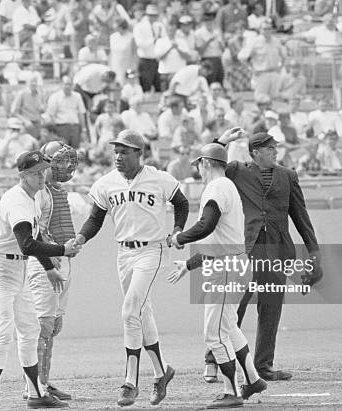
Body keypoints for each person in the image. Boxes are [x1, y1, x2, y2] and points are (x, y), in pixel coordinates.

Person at [73, 130, 189, 406]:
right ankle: (162, 372)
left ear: (140, 153)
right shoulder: (106, 183)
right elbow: (95, 219)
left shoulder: (160, 178)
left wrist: (178, 229)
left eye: (125, 151)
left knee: (129, 310)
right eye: (116, 150)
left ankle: (130, 382)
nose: (118, 156)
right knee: (141, 312)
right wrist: (81, 237)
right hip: (124, 253)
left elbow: (181, 202)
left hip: (152, 250)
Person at [214, 128, 323, 382]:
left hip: (276, 250)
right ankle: (220, 357)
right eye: (269, 148)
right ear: (255, 152)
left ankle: (264, 365)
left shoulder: (288, 176)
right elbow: (211, 162)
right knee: (234, 307)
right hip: (247, 248)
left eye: (275, 147)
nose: (275, 151)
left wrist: (314, 252)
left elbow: (301, 216)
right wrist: (222, 141)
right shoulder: (236, 171)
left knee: (271, 308)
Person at [0, 150, 81, 410]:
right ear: (22, 175)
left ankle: (35, 394)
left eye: (42, 170)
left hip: (18, 269)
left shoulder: (34, 197)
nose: (41, 175)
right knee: (4, 332)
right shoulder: (18, 200)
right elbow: (26, 244)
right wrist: (62, 251)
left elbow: (34, 243)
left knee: (29, 330)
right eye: (35, 172)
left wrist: (48, 268)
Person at [167, 143, 267, 408]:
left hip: (226, 269)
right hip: (231, 263)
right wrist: (188, 265)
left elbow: (206, 225)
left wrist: (179, 237)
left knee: (214, 335)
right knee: (229, 328)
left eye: (199, 164)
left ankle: (231, 392)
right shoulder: (226, 187)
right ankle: (253, 379)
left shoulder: (217, 187)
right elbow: (216, 237)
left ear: (207, 163)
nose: (198, 169)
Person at [22, 141, 79, 402]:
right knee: (43, 325)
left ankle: (43, 382)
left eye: (68, 161)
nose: (66, 166)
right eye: (59, 160)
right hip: (46, 263)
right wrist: (48, 265)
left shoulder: (58, 191)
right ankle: (34, 388)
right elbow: (36, 232)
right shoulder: (39, 193)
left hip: (63, 260)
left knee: (54, 324)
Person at [44, 75, 87, 149]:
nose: (68, 86)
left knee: (75, 151)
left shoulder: (77, 96)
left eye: (70, 84)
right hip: (61, 128)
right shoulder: (55, 97)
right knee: (63, 152)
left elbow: (81, 114)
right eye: (66, 84)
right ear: (61, 85)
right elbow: (51, 115)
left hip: (75, 128)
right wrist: (55, 132)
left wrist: (83, 130)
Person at [133, 4, 166, 93]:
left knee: (160, 87)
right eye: (151, 15)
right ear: (146, 15)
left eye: (155, 15)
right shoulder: (139, 27)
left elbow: (164, 40)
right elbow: (139, 44)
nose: (153, 18)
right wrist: (153, 40)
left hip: (158, 60)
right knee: (146, 87)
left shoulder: (159, 26)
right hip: (146, 60)